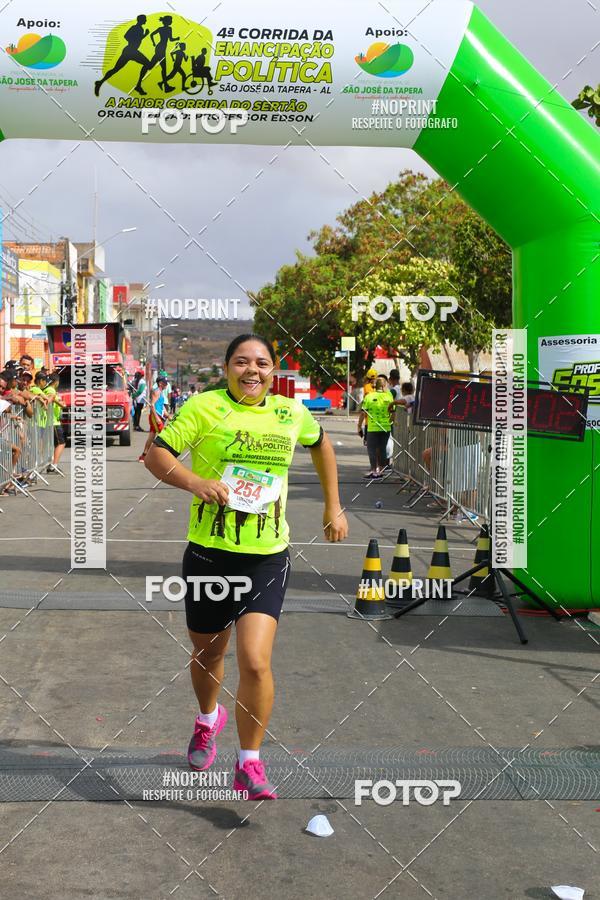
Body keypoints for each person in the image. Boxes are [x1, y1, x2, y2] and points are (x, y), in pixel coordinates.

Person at [144, 334, 349, 800]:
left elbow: (322, 445)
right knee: (209, 654)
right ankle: (207, 718)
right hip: (209, 555)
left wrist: (333, 505)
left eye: (261, 363)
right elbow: (156, 454)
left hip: (266, 556)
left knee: (256, 661)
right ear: (226, 367)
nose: (251, 370)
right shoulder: (203, 406)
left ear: (273, 370)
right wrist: (196, 482)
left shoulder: (290, 413)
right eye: (241, 362)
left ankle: (249, 763)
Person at [357, 376, 394, 478]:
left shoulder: (369, 396)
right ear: (383, 386)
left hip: (372, 427)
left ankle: (373, 470)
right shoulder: (389, 396)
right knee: (382, 448)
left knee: (372, 449)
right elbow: (393, 412)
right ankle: (381, 471)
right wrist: (390, 422)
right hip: (385, 427)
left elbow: (363, 413)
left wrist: (359, 426)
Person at [139, 375, 169, 462]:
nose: (166, 385)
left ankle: (144, 455)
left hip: (159, 416)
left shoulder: (161, 392)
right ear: (160, 383)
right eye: (164, 383)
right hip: (155, 417)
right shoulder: (156, 392)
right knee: (163, 436)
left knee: (152, 436)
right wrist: (157, 418)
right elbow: (152, 405)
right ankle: (161, 457)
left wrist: (167, 415)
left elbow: (161, 406)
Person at [44, 372, 67, 474]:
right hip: (53, 422)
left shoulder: (48, 389)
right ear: (56, 382)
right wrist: (62, 403)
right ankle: (53, 466)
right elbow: (60, 403)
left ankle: (51, 464)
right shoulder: (51, 390)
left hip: (51, 421)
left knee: (54, 444)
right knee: (61, 443)